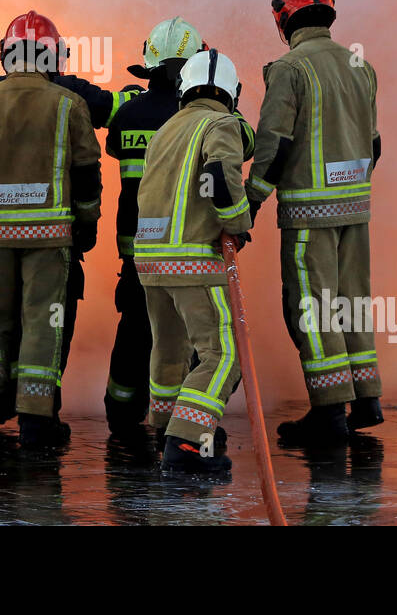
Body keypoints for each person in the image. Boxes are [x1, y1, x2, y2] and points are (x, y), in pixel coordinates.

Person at [245, 0, 382, 448]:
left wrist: (252, 200)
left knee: (311, 307)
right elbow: (375, 144)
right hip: (356, 212)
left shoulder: (289, 70)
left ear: (285, 17)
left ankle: (329, 411)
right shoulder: (360, 66)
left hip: (309, 217)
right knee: (350, 302)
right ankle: (366, 398)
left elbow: (274, 144)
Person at [0, 11, 102, 448]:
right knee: (43, 321)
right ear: (51, 55)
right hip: (50, 236)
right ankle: (37, 418)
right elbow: (88, 173)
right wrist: (86, 226)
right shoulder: (68, 103)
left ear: (6, 54)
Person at [134, 48, 251, 476]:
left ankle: (165, 425)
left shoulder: (166, 129)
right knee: (223, 354)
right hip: (193, 259)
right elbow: (222, 176)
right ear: (232, 94)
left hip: (149, 259)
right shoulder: (221, 123)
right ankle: (186, 442)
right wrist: (238, 223)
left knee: (169, 350)